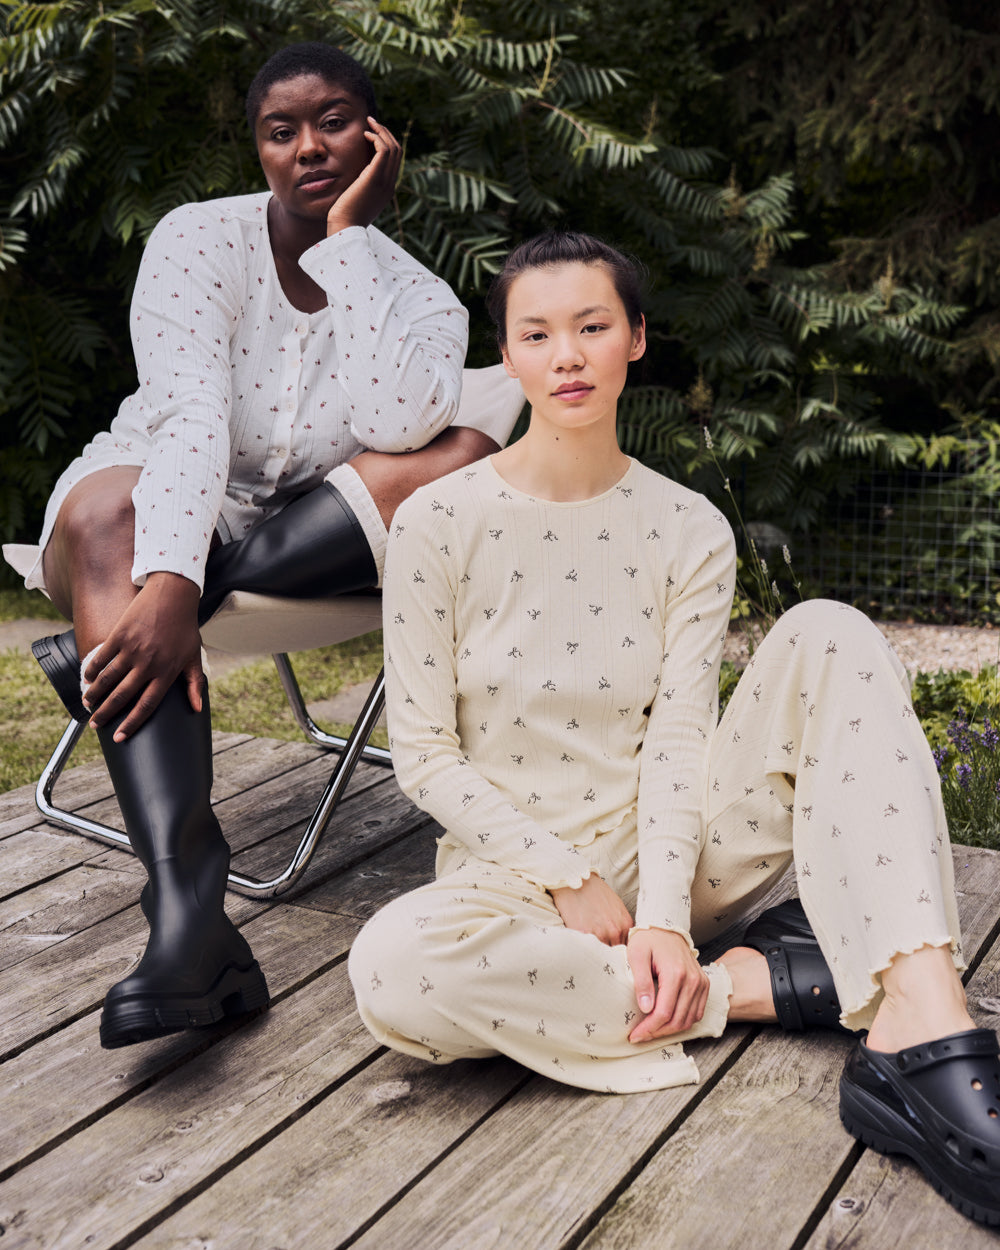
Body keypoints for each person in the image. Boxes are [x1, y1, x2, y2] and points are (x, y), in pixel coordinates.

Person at [348, 231, 1000, 1226]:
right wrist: (567, 875)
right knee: (391, 968)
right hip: (512, 884)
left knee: (829, 631)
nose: (567, 355)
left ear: (636, 338)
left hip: (680, 856)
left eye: (592, 326)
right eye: (537, 334)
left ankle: (923, 1018)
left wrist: (658, 913)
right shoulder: (435, 521)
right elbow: (425, 755)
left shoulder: (688, 525)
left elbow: (679, 740)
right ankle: (748, 986)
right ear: (507, 356)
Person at [3, 43, 501, 1050]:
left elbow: (400, 427)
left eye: (334, 121)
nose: (309, 146)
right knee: (108, 517)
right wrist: (169, 577)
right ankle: (188, 915)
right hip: (145, 494)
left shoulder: (420, 297)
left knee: (466, 454)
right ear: (260, 148)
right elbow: (189, 417)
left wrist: (349, 243)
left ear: (378, 138)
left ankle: (112, 637)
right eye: (282, 130)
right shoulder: (198, 238)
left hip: (306, 528)